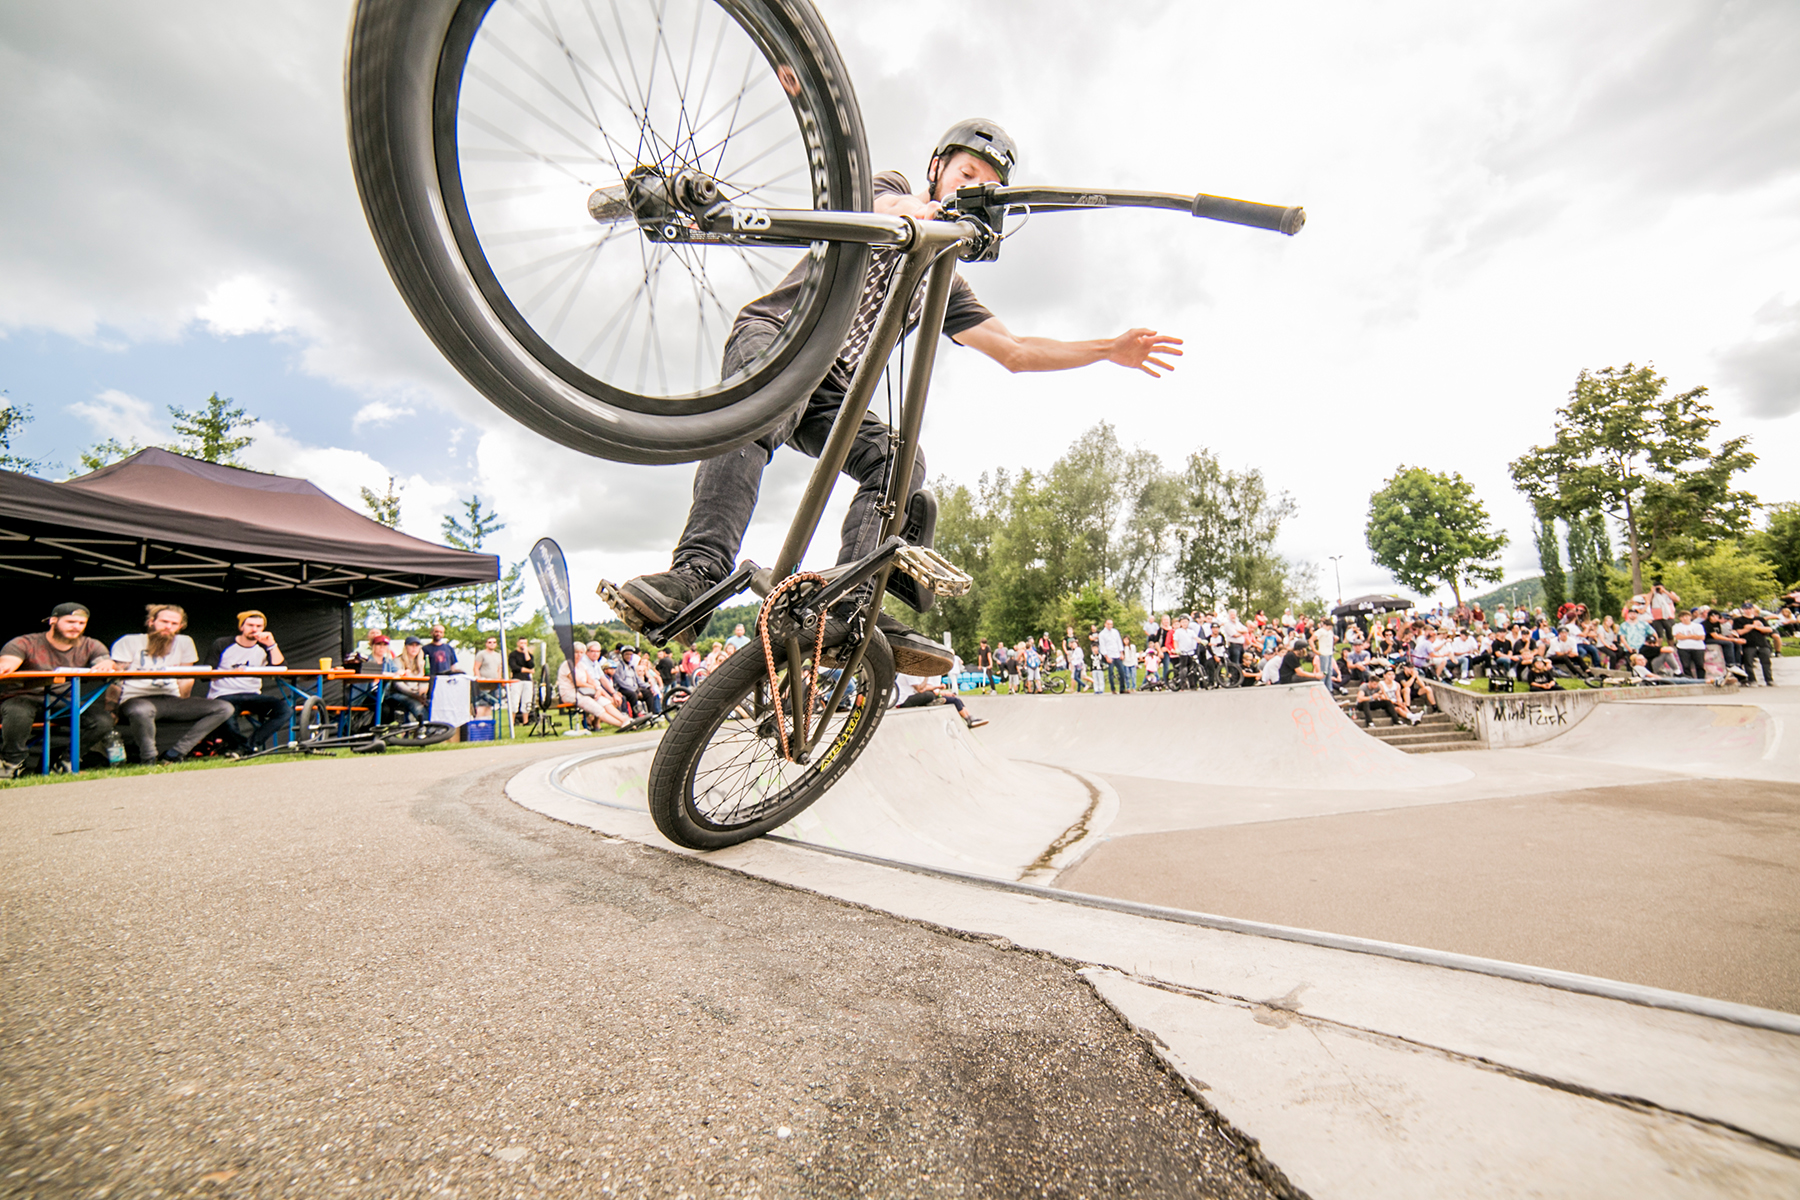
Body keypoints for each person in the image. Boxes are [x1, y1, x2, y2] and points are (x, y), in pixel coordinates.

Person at [607, 120, 1182, 678]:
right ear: (937, 170)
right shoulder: (894, 190)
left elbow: (1016, 351)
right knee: (762, 414)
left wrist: (1109, 349)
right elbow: (883, 207)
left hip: (833, 388)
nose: (970, 189)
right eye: (966, 175)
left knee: (900, 461)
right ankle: (698, 574)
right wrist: (921, 212)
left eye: (985, 187)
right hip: (779, 335)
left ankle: (847, 604)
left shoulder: (946, 282)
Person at [0, 602, 121, 777]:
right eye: (70, 622)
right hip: (24, 697)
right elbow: (8, 662)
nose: (76, 627)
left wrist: (108, 664)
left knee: (102, 720)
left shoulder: (90, 644)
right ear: (53, 621)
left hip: (63, 701)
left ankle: (66, 762)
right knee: (17, 711)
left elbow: (105, 662)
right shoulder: (25, 642)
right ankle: (12, 763)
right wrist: (7, 666)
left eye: (81, 623)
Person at [111, 604, 235, 764]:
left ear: (180, 626)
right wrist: (111, 709)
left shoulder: (184, 642)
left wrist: (184, 702)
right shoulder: (129, 641)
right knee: (142, 710)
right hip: (136, 698)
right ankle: (149, 758)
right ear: (151, 622)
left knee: (224, 708)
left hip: (171, 698)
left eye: (174, 623)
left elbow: (186, 677)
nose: (168, 627)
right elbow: (115, 679)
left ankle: (175, 753)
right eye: (164, 622)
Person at [204, 610, 290, 752]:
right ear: (241, 627)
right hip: (224, 694)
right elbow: (206, 675)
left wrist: (272, 645)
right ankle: (243, 748)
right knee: (226, 716)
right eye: (250, 625)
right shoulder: (222, 643)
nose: (254, 629)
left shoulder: (264, 646)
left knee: (284, 710)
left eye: (259, 626)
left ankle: (247, 747)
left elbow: (281, 669)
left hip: (253, 695)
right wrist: (231, 673)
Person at [894, 672, 987, 729]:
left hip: (915, 697)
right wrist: (940, 690)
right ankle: (931, 702)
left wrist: (927, 678)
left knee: (956, 700)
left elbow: (922, 688)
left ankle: (970, 718)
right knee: (930, 695)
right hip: (903, 701)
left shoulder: (919, 674)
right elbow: (920, 689)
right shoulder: (909, 673)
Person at [612, 646, 661, 717]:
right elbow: (620, 682)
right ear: (622, 655)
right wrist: (636, 690)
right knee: (633, 695)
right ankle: (636, 716)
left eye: (630, 654)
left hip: (634, 688)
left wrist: (649, 687)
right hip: (623, 689)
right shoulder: (619, 666)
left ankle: (651, 714)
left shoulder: (631, 666)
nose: (629, 656)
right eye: (627, 654)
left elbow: (638, 680)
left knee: (648, 693)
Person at [1737, 604, 1776, 687]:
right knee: (1748, 663)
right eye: (1746, 609)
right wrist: (1751, 627)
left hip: (1762, 643)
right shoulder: (1739, 620)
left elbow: (1769, 629)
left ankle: (1769, 679)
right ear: (1743, 610)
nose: (1748, 610)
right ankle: (1752, 680)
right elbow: (1739, 632)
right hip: (1749, 644)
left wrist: (1755, 627)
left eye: (1749, 609)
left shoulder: (1759, 619)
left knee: (1766, 662)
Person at [471, 636, 507, 712]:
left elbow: (499, 668)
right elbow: (476, 667)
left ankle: (489, 715)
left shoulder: (498, 655)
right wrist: (479, 678)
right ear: (486, 644)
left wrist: (499, 678)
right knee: (483, 702)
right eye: (490, 642)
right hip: (484, 682)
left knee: (491, 702)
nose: (492, 644)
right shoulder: (481, 654)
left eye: (494, 642)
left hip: (495, 682)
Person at [1670, 609, 1708, 680]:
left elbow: (1701, 637)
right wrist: (1692, 636)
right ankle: (1689, 679)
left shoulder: (1698, 626)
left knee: (1700, 665)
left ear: (1690, 617)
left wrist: (1684, 636)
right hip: (1683, 647)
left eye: (1686, 616)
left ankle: (1701, 679)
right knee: (1686, 666)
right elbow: (1678, 637)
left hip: (1698, 647)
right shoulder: (1676, 626)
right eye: (1682, 617)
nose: (1685, 618)